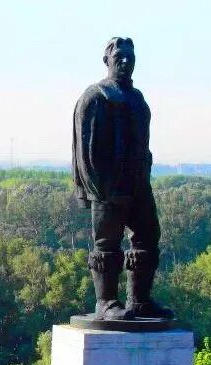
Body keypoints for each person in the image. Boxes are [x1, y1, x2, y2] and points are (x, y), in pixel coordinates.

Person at [72, 37, 173, 321]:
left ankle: (139, 300)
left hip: (138, 182)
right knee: (107, 242)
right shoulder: (97, 95)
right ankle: (106, 302)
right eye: (120, 57)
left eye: (130, 56)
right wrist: (98, 187)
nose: (126, 61)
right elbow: (85, 147)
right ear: (108, 60)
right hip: (109, 186)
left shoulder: (137, 98)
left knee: (148, 235)